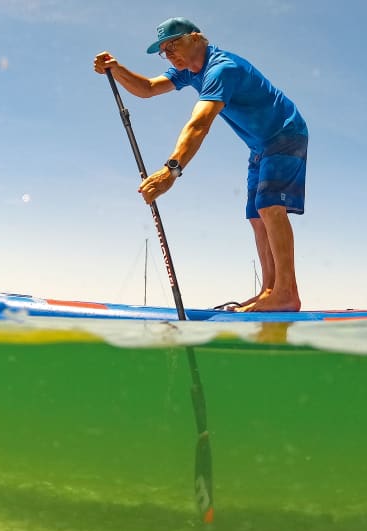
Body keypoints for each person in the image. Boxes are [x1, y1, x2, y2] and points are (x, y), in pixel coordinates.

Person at [93, 17, 308, 312]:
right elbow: (148, 88)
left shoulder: (222, 68)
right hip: (259, 144)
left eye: (174, 45)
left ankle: (286, 292)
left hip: (285, 133)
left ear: (197, 38)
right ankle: (269, 290)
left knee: (270, 207)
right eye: (164, 51)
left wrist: (171, 171)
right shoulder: (190, 71)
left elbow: (199, 124)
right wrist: (116, 70)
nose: (169, 54)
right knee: (257, 216)